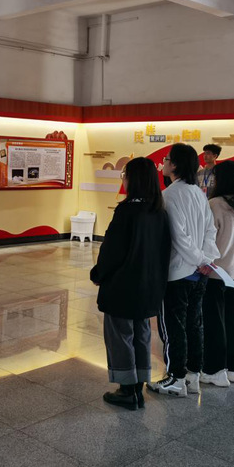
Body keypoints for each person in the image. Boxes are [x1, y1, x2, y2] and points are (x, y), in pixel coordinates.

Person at [91, 158, 171, 411]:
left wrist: (98, 273)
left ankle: (126, 390)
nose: (123, 179)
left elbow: (112, 251)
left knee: (120, 335)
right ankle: (138, 386)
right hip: (149, 286)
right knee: (142, 333)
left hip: (123, 286)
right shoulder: (159, 211)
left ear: (133, 180)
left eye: (124, 175)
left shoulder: (126, 211)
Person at [150, 144, 219, 397]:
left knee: (173, 327)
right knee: (194, 324)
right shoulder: (198, 193)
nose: (164, 163)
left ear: (175, 165)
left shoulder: (169, 195)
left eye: (167, 159)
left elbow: (179, 237)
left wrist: (200, 259)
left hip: (178, 273)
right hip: (200, 273)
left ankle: (176, 377)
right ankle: (193, 374)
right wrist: (206, 259)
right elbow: (211, 230)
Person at [202, 161, 234, 386]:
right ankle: (232, 368)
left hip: (216, 271)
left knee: (214, 321)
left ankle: (214, 369)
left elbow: (209, 239)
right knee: (232, 319)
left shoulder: (215, 204)